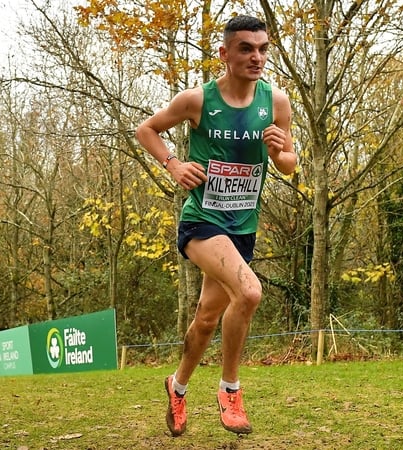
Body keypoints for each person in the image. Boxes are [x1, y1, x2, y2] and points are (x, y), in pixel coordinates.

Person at [135, 15, 297, 436]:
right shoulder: (197, 100)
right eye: (246, 48)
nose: (256, 56)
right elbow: (146, 129)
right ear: (224, 54)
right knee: (249, 291)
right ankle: (230, 390)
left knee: (208, 317)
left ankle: (178, 386)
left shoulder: (277, 103)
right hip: (202, 222)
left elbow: (290, 165)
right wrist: (174, 165)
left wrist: (280, 153)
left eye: (262, 48)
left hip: (243, 227)